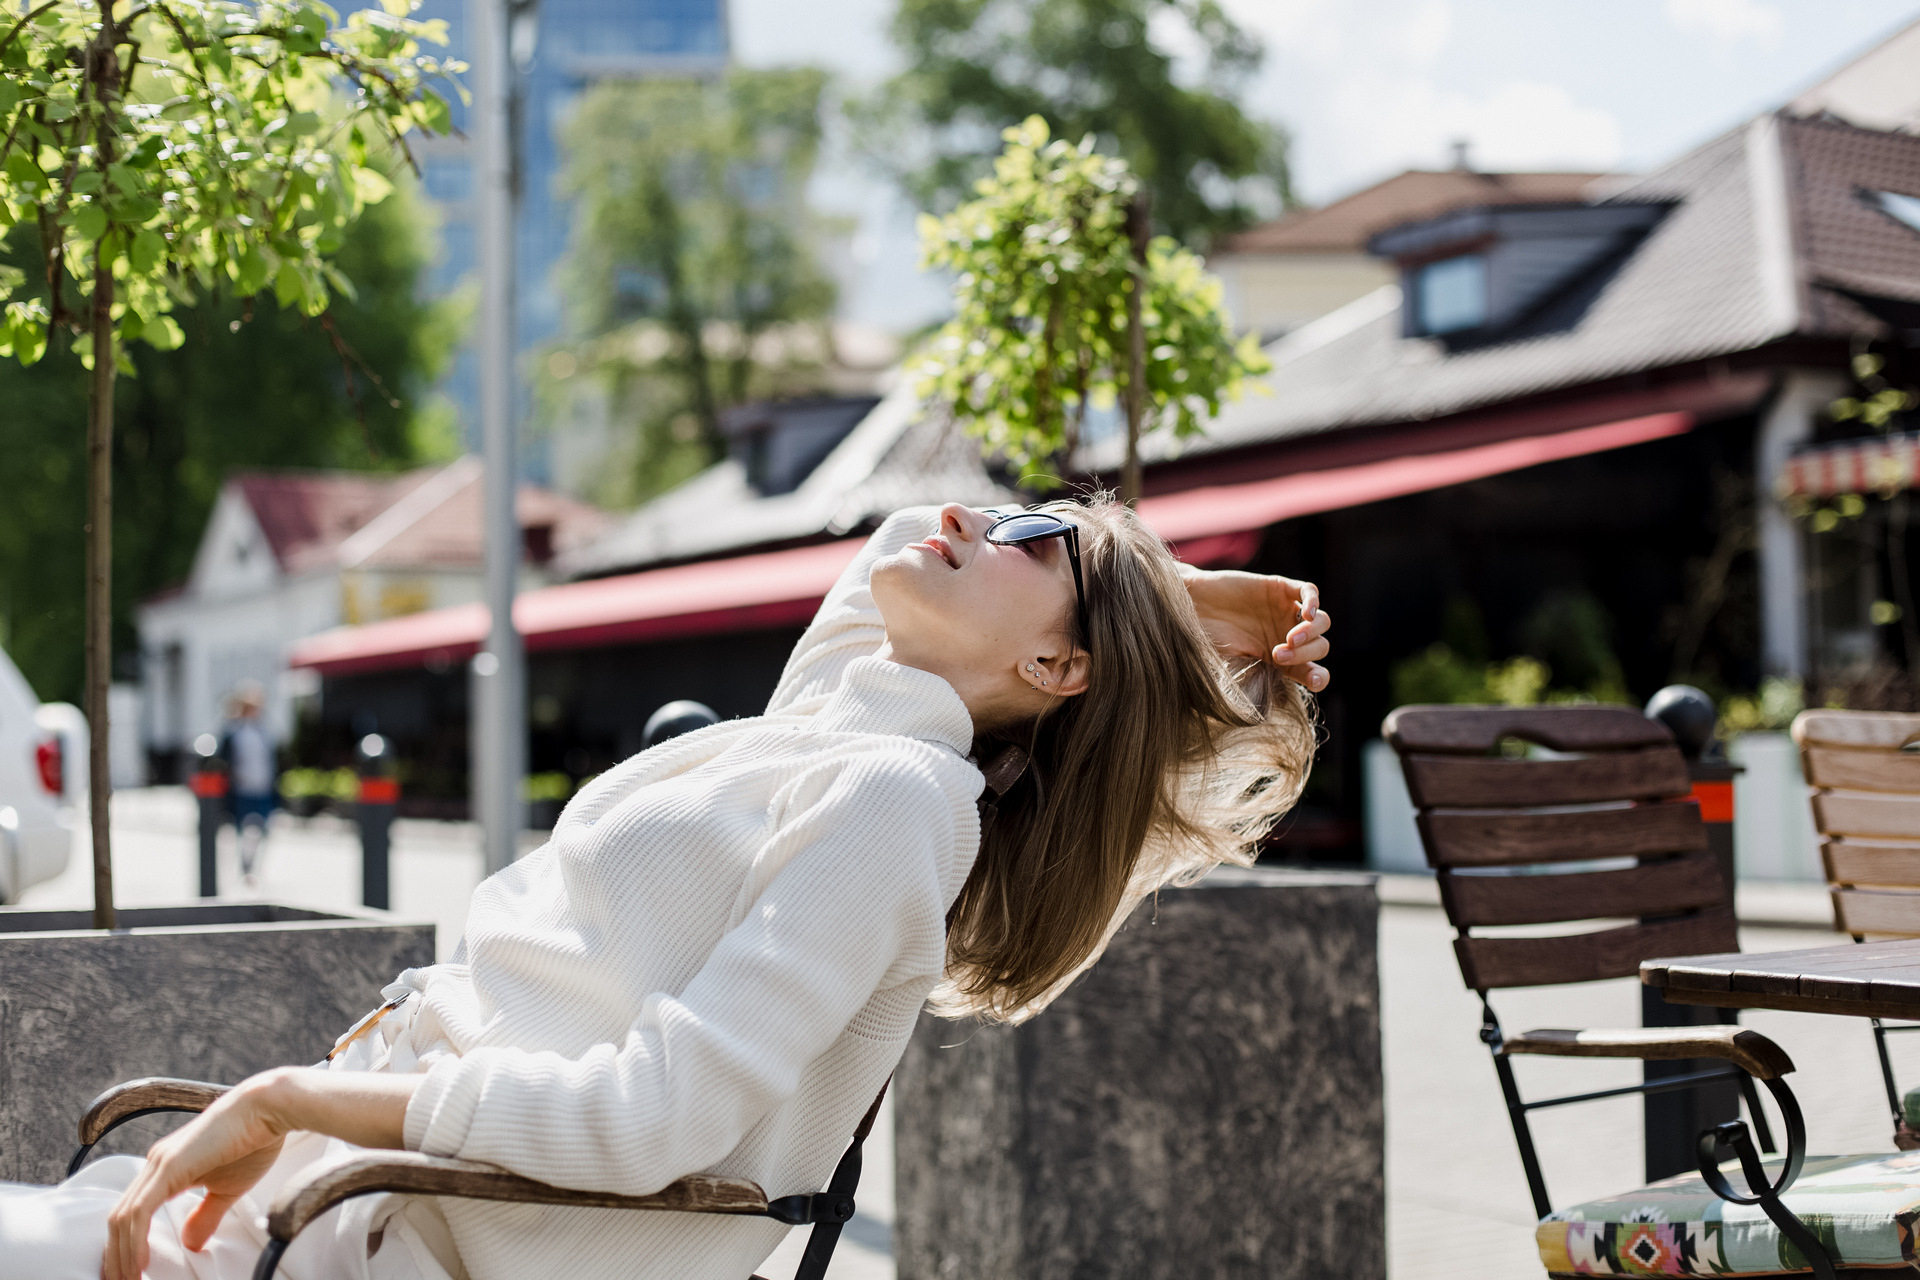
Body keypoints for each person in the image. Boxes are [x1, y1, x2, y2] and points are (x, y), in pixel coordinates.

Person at [0, 498, 1331, 1280]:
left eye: (1031, 539)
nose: (977, 514)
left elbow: (653, 1121)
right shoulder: (838, 732)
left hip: (411, 1241)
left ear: (1057, 674)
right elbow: (886, 550)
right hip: (354, 1199)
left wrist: (289, 1094)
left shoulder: (895, 803)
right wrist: (1160, 590)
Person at [219, 682, 276, 887]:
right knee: (243, 831)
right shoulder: (234, 732)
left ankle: (254, 868)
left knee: (262, 830)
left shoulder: (264, 732)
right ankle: (245, 868)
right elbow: (225, 761)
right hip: (242, 789)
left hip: (263, 787)